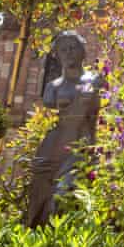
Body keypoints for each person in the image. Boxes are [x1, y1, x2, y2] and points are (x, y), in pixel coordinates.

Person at [25, 31, 102, 228]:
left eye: (73, 48)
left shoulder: (95, 81)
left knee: (61, 198)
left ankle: (59, 246)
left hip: (79, 148)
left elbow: (97, 120)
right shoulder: (52, 87)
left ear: (83, 52)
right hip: (52, 147)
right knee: (37, 201)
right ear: (57, 55)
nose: (68, 53)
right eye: (63, 49)